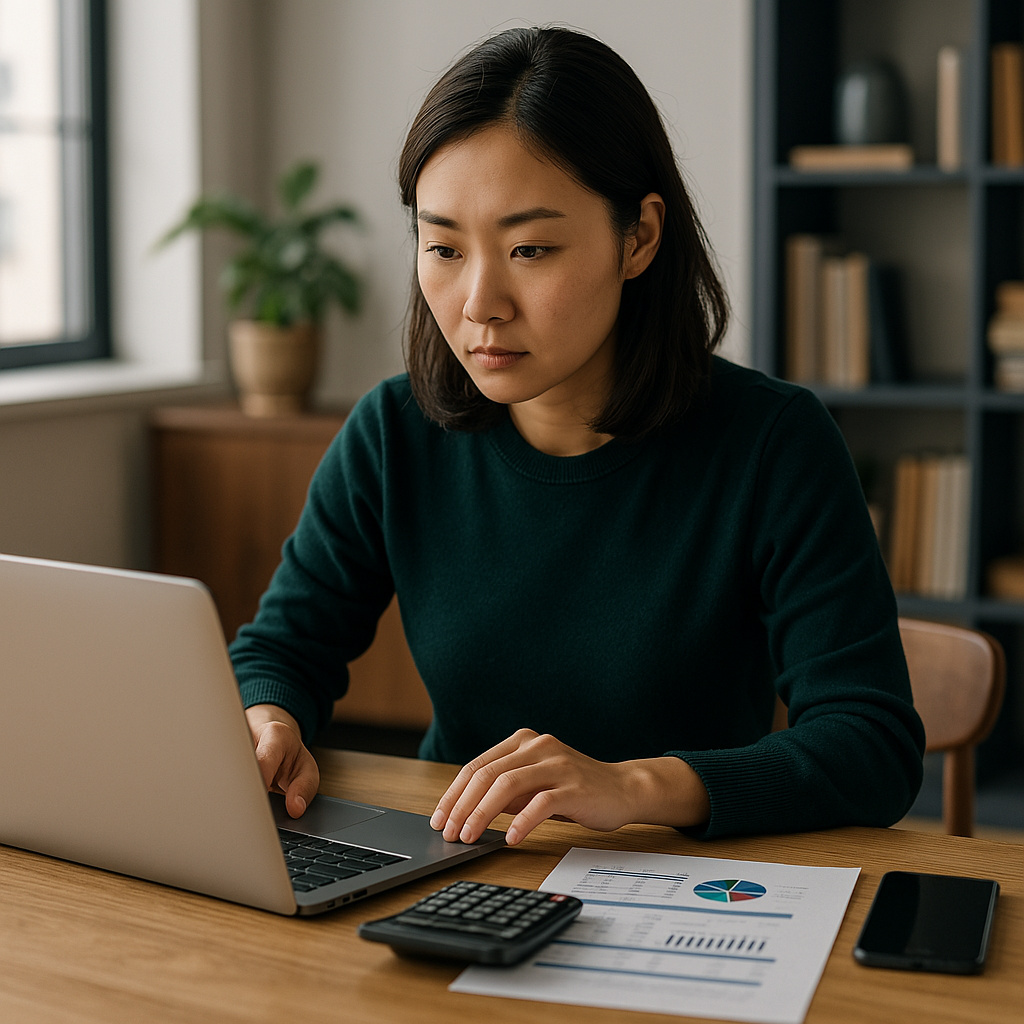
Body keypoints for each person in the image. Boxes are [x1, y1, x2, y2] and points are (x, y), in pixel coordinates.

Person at [231, 26, 924, 846]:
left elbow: (871, 745)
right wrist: (268, 719)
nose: (480, 302)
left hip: (690, 886)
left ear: (639, 237)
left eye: (530, 248)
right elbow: (282, 647)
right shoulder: (393, 432)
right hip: (459, 861)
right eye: (444, 246)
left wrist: (633, 785)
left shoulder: (772, 443)